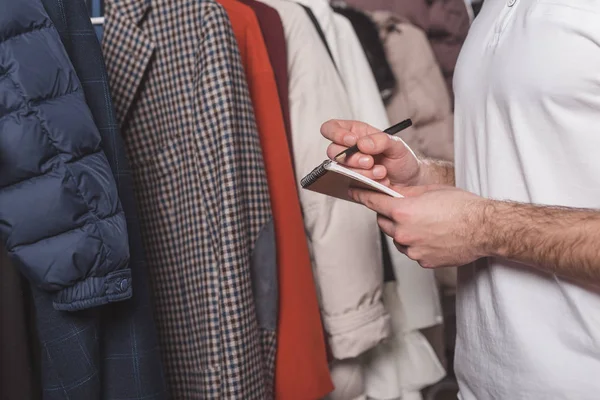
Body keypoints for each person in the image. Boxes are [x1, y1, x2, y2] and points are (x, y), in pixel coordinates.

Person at [320, 0, 600, 398]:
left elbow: (491, 216)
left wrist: (482, 226)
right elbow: (532, 173)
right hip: (482, 379)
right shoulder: (493, 10)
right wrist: (423, 173)